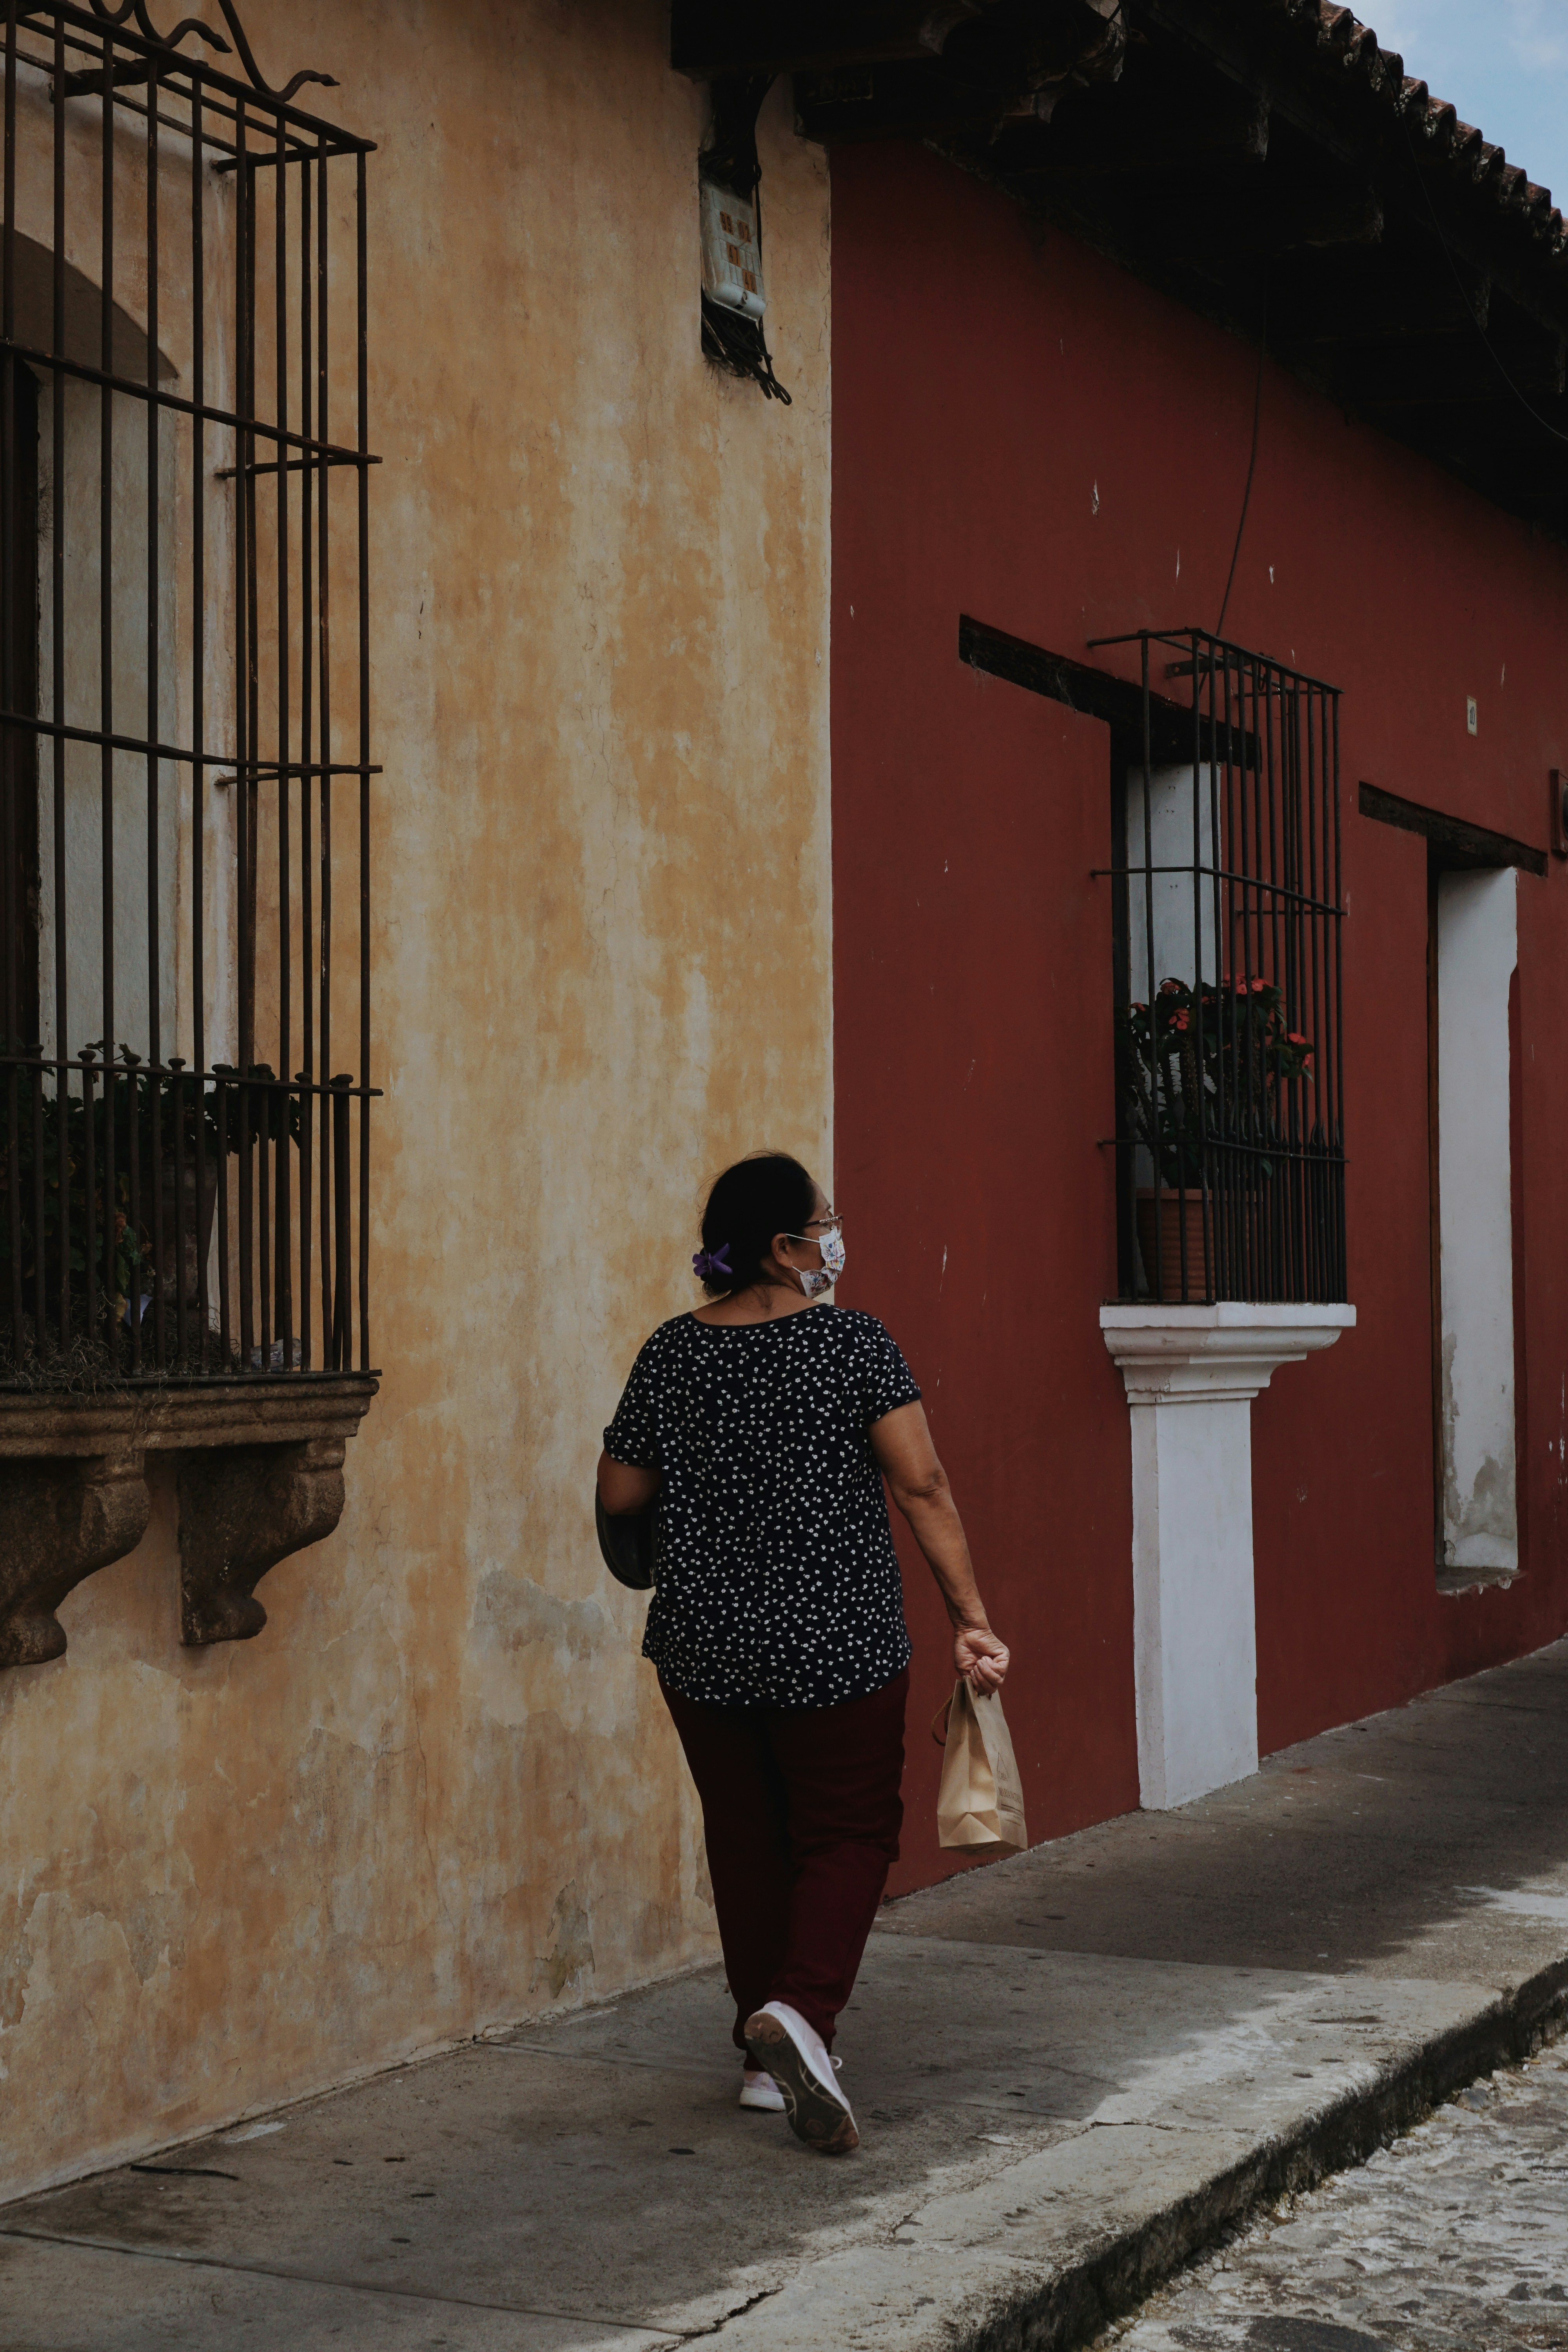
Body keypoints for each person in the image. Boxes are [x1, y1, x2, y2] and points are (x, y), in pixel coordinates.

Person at [597, 1150, 1010, 2156]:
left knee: (746, 1837)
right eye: (823, 1222)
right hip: (836, 1640)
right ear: (783, 1247)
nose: (834, 1237)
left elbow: (618, 1496)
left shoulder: (670, 1352)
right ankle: (801, 2015)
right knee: (849, 1831)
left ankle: (758, 2058)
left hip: (702, 1645)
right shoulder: (853, 1346)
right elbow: (922, 1487)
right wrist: (970, 1615)